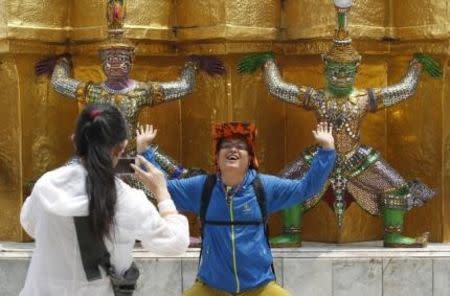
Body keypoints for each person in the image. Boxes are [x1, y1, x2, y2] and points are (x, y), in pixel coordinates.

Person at [237, 0, 440, 247]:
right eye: (335, 71)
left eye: (346, 72)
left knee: (396, 188)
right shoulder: (317, 97)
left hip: (357, 157)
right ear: (325, 69)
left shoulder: (365, 98)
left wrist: (416, 66)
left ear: (356, 70)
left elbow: (404, 90)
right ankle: (292, 233)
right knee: (285, 184)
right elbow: (279, 89)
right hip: (321, 158)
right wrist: (268, 64)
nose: (341, 77)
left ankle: (394, 234)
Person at [135, 121, 336, 295]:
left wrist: (327, 151)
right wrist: (145, 151)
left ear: (250, 159)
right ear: (217, 158)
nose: (233, 149)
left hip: (259, 288)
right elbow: (161, 187)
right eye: (226, 146)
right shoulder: (202, 187)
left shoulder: (264, 187)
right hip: (211, 288)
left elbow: (305, 188)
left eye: (240, 146)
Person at [20, 104, 189, 296]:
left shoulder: (46, 186)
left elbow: (30, 224)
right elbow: (175, 242)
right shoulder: (128, 199)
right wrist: (162, 193)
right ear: (122, 148)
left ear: (75, 141)